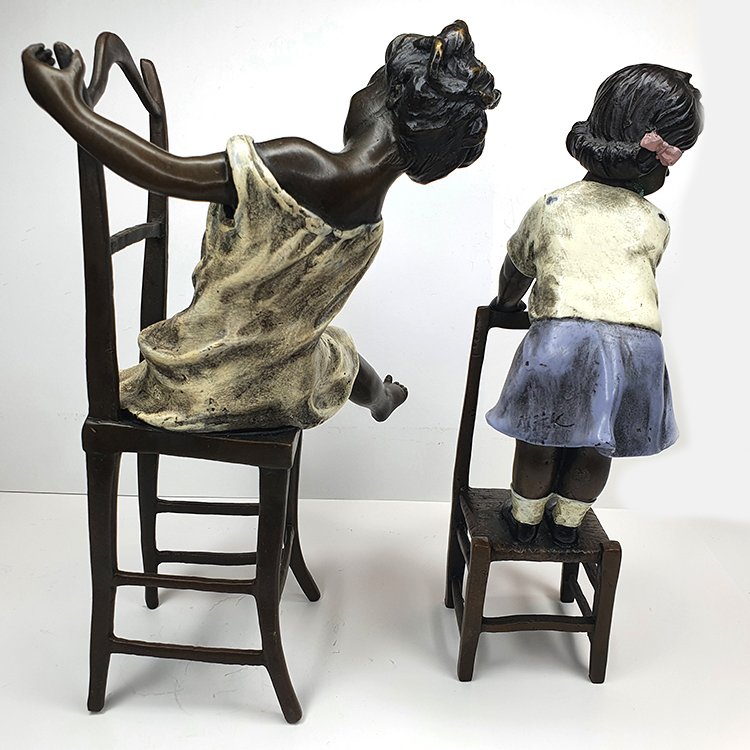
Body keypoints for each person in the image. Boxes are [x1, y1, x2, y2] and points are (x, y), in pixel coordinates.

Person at [22, 22, 500, 432]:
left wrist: (69, 109)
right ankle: (382, 399)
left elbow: (163, 171)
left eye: (372, 83)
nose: (360, 93)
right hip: (285, 385)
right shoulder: (371, 228)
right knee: (335, 352)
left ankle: (380, 397)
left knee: (325, 345)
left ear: (391, 95)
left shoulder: (301, 164)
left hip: (204, 379)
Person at [487, 64, 703, 545]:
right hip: (639, 347)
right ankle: (567, 526)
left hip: (562, 340)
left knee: (541, 435)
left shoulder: (552, 206)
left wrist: (504, 304)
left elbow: (517, 269)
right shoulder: (656, 221)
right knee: (596, 445)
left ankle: (524, 521)